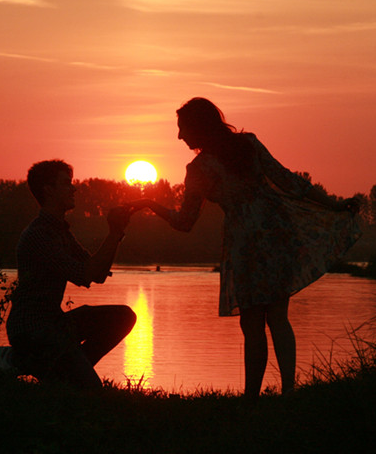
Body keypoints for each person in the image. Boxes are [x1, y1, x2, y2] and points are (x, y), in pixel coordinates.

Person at [129, 97, 360, 400]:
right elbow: (289, 181)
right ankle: (289, 391)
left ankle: (252, 397)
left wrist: (148, 203)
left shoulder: (199, 168)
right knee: (278, 316)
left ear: (198, 127)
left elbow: (184, 222)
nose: (179, 136)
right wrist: (333, 204)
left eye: (182, 128)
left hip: (246, 240)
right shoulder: (248, 144)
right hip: (277, 230)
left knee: (252, 323)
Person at [0, 159, 136, 390]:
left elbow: (97, 274)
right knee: (90, 390)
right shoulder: (39, 235)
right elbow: (85, 273)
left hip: (54, 324)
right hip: (32, 331)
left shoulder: (60, 230)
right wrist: (112, 233)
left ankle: (61, 372)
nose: (74, 188)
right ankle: (17, 360)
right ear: (48, 190)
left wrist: (117, 232)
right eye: (66, 183)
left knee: (123, 316)